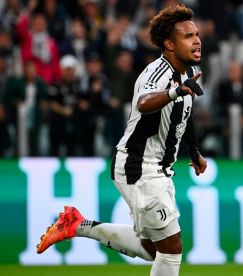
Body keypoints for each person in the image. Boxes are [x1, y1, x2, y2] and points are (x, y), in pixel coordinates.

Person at [36, 4, 207, 276]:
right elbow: (143, 103)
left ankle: (77, 225)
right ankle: (78, 226)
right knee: (172, 250)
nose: (197, 39)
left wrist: (194, 151)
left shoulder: (186, 73)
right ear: (169, 44)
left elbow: (183, 116)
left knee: (154, 249)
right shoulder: (156, 73)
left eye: (196, 33)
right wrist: (175, 93)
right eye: (187, 36)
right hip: (139, 167)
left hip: (158, 170)